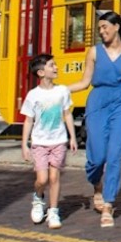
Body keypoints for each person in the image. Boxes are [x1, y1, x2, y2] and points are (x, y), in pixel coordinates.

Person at [67, 11, 121, 228]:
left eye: (104, 27)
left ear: (117, 26)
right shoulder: (94, 52)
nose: (102, 31)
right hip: (98, 102)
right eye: (99, 28)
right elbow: (84, 83)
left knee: (115, 154)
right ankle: (96, 185)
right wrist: (59, 90)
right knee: (97, 157)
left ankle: (108, 204)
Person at [21, 54, 78, 230]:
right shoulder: (33, 95)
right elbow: (28, 120)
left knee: (54, 177)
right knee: (42, 179)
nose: (56, 68)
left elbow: (67, 114)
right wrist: (25, 144)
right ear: (41, 72)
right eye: (52, 65)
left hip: (59, 141)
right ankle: (38, 198)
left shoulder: (62, 91)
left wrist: (72, 137)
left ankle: (53, 210)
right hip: (39, 142)